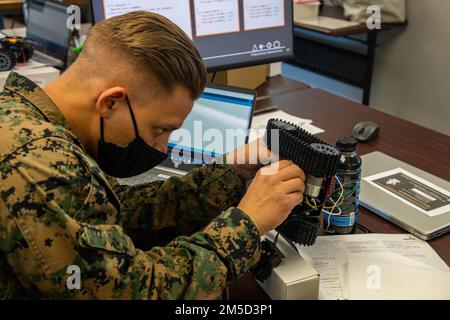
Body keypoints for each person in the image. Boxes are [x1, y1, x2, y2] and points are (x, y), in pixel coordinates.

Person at [0, 12, 305, 299]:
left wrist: (230, 173)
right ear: (111, 103)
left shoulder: (24, 115)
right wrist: (248, 224)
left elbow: (120, 210)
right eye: (159, 129)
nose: (162, 148)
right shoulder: (36, 162)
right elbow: (128, 290)